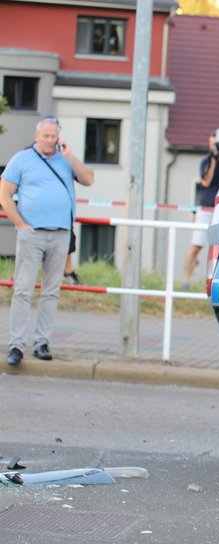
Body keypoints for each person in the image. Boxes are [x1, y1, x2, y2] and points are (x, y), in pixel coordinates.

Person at [1, 116, 95, 365]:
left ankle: (42, 342)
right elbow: (5, 194)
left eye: (54, 137)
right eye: (46, 136)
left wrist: (71, 157)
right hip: (32, 233)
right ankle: (16, 346)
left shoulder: (65, 160)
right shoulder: (21, 160)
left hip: (60, 233)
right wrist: (21, 224)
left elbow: (88, 179)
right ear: (36, 136)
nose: (50, 141)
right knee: (23, 290)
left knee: (51, 292)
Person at [183, 131, 219, 289]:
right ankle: (185, 281)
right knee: (196, 246)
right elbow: (206, 182)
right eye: (214, 145)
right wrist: (213, 161)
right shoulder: (206, 161)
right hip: (206, 209)